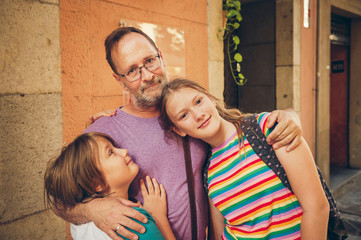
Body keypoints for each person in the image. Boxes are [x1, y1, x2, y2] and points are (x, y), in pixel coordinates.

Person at [55, 27, 303, 240]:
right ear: (119, 80)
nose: (147, 76)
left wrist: (291, 116)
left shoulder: (190, 109)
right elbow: (59, 201)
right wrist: (93, 210)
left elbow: (238, 122)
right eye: (132, 71)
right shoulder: (102, 133)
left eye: (150, 61)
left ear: (161, 56)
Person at [158, 78, 330, 239]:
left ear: (210, 98)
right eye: (183, 115)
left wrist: (291, 114)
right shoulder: (207, 170)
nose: (198, 114)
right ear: (178, 130)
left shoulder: (267, 128)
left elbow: (317, 208)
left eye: (198, 101)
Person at [44, 132, 175, 240]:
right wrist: (158, 217)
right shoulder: (134, 221)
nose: (124, 151)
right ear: (96, 184)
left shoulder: (78, 225)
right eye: (111, 152)